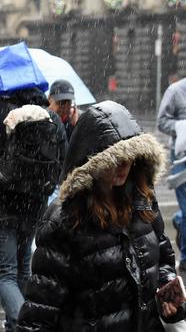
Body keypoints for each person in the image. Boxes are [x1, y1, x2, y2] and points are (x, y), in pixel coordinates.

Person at [18, 101, 184, 332]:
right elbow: (40, 310)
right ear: (92, 162)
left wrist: (168, 293)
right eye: (115, 159)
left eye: (130, 156)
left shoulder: (143, 200)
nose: (124, 166)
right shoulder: (65, 220)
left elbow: (163, 258)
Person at [0, 43, 66, 332]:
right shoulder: (50, 115)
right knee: (21, 270)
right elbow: (62, 160)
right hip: (34, 206)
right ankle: (15, 325)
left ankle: (26, 325)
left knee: (3, 274)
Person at [158, 77, 186, 271]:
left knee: (185, 212)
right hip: (181, 159)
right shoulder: (175, 91)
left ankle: (178, 219)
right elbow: (161, 121)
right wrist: (180, 127)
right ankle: (185, 257)